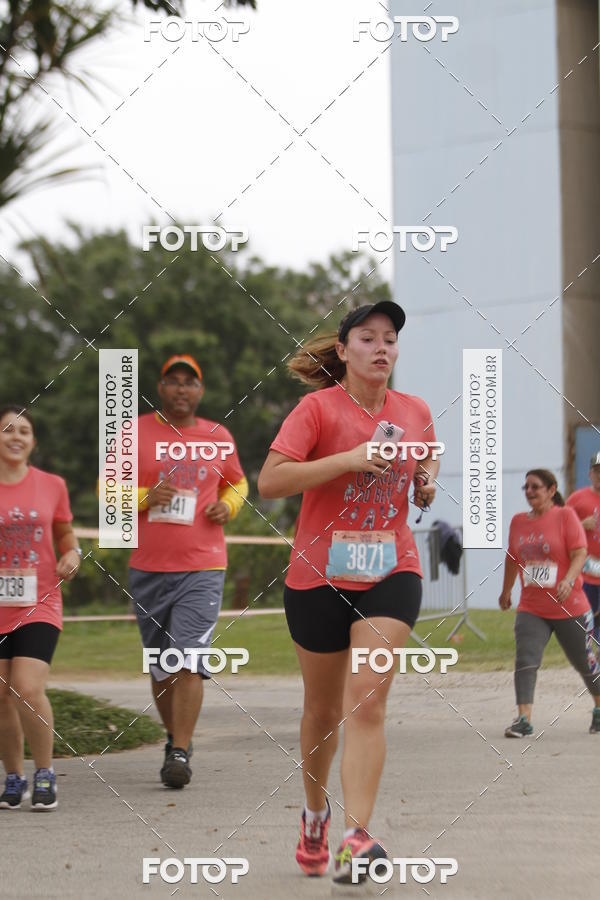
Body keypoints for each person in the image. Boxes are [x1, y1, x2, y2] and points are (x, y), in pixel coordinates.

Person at [258, 301, 439, 884]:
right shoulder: (316, 409)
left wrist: (428, 482)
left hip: (391, 569)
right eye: (368, 338)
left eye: (390, 339)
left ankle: (357, 839)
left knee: (368, 696)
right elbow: (272, 481)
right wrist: (348, 459)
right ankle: (315, 815)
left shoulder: (414, 411)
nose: (382, 348)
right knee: (321, 711)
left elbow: (425, 458)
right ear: (344, 350)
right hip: (318, 576)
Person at [129, 355, 247, 789]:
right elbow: (107, 491)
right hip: (148, 567)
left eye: (190, 383)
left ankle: (180, 750)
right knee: (161, 666)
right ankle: (174, 738)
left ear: (200, 392)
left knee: (187, 659)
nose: (182, 389)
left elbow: (237, 481)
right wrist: (144, 496)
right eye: (173, 381)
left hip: (203, 564)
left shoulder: (218, 436)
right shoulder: (134, 433)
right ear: (160, 387)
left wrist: (229, 504)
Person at [0, 406, 81, 810]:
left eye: (25, 431)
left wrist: (73, 555)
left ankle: (45, 773)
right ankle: (13, 778)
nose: (16, 437)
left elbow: (65, 534)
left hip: (39, 600)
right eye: (7, 430)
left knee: (27, 688)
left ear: (33, 442)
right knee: (1, 696)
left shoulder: (52, 485)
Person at [499, 468, 600, 737]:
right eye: (526, 487)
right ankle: (524, 719)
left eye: (536, 487)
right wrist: (506, 591)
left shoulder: (565, 516)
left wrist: (568, 579)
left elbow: (580, 552)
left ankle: (599, 708)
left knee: (585, 663)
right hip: (532, 606)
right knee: (526, 660)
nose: (530, 492)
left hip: (570, 605)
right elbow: (512, 559)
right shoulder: (518, 522)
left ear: (551, 491)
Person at [566, 453, 600, 653]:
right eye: (597, 471)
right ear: (590, 474)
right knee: (587, 618)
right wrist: (581, 524)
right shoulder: (577, 499)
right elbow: (559, 529)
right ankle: (589, 662)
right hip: (586, 573)